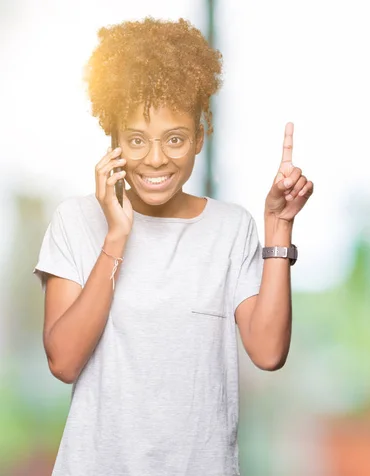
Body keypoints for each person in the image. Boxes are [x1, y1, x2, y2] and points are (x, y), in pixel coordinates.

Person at [33, 17, 313, 475]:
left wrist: (278, 226)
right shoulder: (76, 220)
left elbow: (267, 352)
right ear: (114, 141)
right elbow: (62, 360)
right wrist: (117, 236)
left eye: (175, 139)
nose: (156, 158)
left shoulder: (230, 229)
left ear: (200, 137)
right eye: (137, 140)